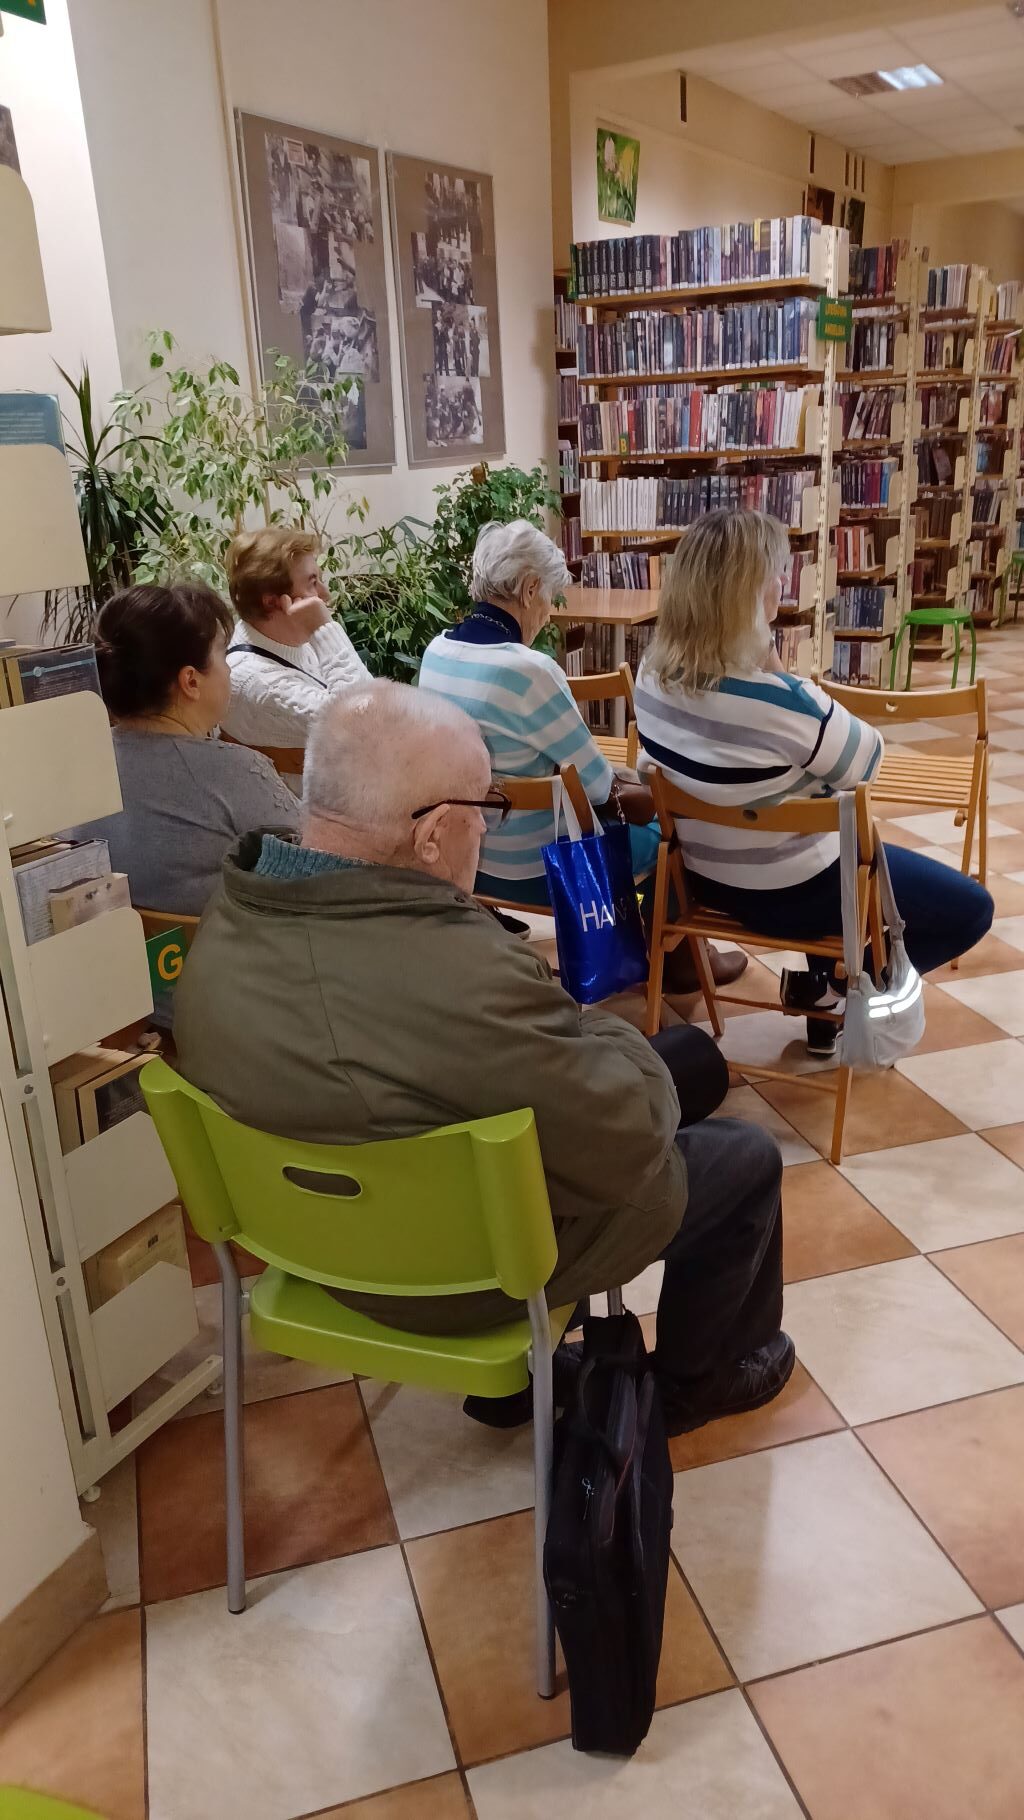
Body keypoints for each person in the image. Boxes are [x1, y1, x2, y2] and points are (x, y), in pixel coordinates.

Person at [174, 681, 791, 1436]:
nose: (489, 829)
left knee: (688, 1061)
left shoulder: (226, 923)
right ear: (433, 834)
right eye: (486, 808)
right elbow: (625, 1139)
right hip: (456, 1274)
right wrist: (588, 1027)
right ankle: (701, 1382)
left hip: (312, 1240)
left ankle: (524, 1380)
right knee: (743, 1157)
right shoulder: (459, 974)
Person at [634, 507, 994, 1053]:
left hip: (703, 881)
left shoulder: (650, 677)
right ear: (746, 596)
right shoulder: (785, 703)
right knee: (969, 907)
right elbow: (867, 762)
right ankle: (841, 985)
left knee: (811, 814)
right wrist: (780, 672)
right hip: (799, 895)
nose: (782, 583)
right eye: (774, 573)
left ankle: (822, 992)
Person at [418, 518, 747, 989]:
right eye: (550, 597)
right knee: (670, 835)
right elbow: (596, 786)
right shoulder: (531, 671)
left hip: (468, 858)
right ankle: (679, 962)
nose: (547, 615)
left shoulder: (437, 652)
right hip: (539, 868)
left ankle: (670, 953)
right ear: (530, 589)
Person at [80, 583, 299, 915]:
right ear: (191, 682)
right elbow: (324, 868)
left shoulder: (79, 765)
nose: (229, 668)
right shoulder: (234, 771)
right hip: (225, 947)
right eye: (223, 653)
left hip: (118, 947)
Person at [222, 527, 370, 761]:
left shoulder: (290, 637)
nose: (325, 594)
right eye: (312, 583)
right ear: (272, 602)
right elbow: (368, 723)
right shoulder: (256, 682)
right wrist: (324, 628)